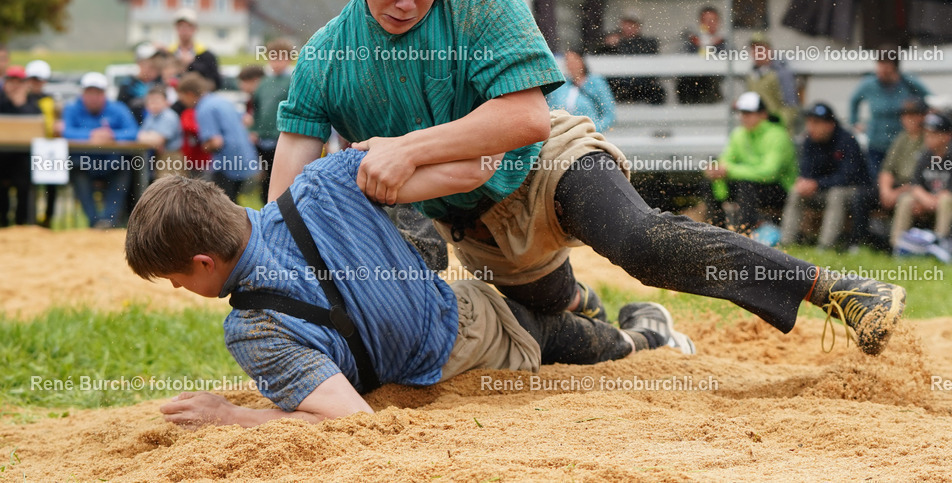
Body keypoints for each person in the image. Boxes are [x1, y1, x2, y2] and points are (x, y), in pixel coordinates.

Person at [270, 0, 905, 357]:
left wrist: (406, 150)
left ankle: (836, 290)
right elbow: (290, 178)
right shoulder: (328, 55)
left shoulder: (482, 1)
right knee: (545, 325)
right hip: (476, 215)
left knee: (640, 240)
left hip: (549, 162)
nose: (408, 3)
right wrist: (268, 259)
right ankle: (641, 337)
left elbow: (525, 122)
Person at [125, 149, 694, 427]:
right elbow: (455, 165)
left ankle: (646, 334)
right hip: (473, 277)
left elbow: (351, 422)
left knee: (592, 346)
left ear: (203, 262)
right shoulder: (323, 179)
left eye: (175, 278)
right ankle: (582, 300)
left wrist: (230, 417)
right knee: (537, 304)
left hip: (472, 341)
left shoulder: (251, 328)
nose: (177, 288)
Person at [700, 91, 797, 232]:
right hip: (749, 184)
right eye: (742, 113)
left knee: (746, 186)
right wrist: (716, 173)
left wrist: (729, 171)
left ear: (763, 114)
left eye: (748, 113)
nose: (744, 117)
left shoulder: (778, 135)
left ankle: (744, 233)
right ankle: (717, 231)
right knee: (709, 183)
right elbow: (724, 161)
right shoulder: (738, 134)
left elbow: (769, 173)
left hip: (779, 188)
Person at [780, 102, 870, 250]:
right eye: (809, 122)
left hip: (852, 190)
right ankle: (786, 242)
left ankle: (825, 246)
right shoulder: (809, 141)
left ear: (830, 125)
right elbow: (806, 171)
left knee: (836, 194)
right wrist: (805, 183)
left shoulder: (847, 140)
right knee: (796, 192)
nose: (810, 127)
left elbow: (848, 177)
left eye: (816, 123)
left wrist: (817, 184)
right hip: (822, 189)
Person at [849, 98, 928, 252]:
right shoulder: (902, 138)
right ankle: (857, 242)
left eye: (913, 114)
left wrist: (895, 193)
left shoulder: (927, 140)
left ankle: (895, 246)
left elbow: (921, 179)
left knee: (905, 202)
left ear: (923, 116)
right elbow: (887, 169)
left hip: (914, 189)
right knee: (861, 196)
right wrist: (886, 191)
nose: (908, 119)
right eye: (905, 115)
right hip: (896, 186)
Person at [890, 111, 952, 246]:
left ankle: (940, 245)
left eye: (933, 133)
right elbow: (915, 185)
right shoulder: (926, 154)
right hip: (934, 198)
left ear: (947, 135)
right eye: (926, 133)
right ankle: (898, 245)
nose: (928, 137)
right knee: (906, 200)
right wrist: (925, 200)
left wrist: (929, 202)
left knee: (945, 201)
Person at [63, 72, 139, 228]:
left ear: (104, 94)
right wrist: (90, 134)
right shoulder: (71, 108)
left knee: (125, 168)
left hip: (111, 163)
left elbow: (133, 131)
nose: (93, 97)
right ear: (82, 93)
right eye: (89, 92)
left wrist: (112, 135)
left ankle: (107, 220)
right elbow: (66, 131)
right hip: (83, 164)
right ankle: (95, 221)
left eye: (97, 92)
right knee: (77, 171)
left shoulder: (118, 108)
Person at [175, 73, 258, 201]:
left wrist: (202, 146)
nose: (182, 102)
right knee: (234, 204)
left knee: (223, 208)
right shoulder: (220, 100)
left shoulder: (203, 109)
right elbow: (247, 120)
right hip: (245, 158)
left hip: (227, 164)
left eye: (182, 98)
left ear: (190, 94)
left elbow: (216, 142)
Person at [849, 49, 929, 180]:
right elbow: (854, 100)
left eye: (887, 69)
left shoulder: (908, 83)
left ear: (895, 69)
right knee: (877, 182)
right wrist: (855, 122)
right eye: (880, 67)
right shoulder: (869, 84)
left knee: (903, 178)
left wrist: (919, 118)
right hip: (877, 142)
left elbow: (929, 99)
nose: (882, 73)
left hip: (901, 142)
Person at [250, 40, 294, 203]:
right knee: (265, 180)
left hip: (283, 137)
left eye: (280, 58)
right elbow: (256, 108)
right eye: (272, 58)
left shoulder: (293, 80)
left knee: (284, 180)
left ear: (288, 59)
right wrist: (253, 129)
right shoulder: (264, 83)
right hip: (263, 140)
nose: (276, 63)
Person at [0, 66, 41, 227]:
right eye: (11, 82)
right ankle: (3, 221)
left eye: (19, 82)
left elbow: (37, 125)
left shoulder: (32, 104)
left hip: (23, 157)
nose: (15, 86)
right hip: (2, 156)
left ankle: (21, 222)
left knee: (24, 185)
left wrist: (21, 104)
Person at [598, 14, 665, 105]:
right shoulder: (611, 41)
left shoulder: (647, 43)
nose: (629, 27)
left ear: (638, 26)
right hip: (620, 83)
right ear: (621, 25)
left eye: (632, 24)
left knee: (658, 91)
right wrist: (608, 45)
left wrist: (621, 43)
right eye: (626, 24)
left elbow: (650, 55)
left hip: (642, 83)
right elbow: (598, 56)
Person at [25, 59, 60, 227]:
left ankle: (47, 219)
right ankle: (28, 219)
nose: (36, 83)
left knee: (51, 184)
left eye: (39, 80)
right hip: (26, 149)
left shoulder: (50, 100)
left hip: (47, 148)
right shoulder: (23, 99)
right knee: (27, 184)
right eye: (33, 79)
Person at [545, 49, 616, 133]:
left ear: (582, 61)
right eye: (568, 61)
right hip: (562, 134)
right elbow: (551, 111)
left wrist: (593, 130)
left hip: (588, 135)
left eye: (574, 61)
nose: (571, 65)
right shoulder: (561, 85)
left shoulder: (596, 82)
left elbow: (609, 115)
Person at [746, 33, 799, 134]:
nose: (757, 53)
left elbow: (791, 107)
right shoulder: (752, 75)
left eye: (760, 49)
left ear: (769, 50)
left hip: (777, 131)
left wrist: (776, 123)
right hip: (757, 132)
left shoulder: (782, 73)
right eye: (754, 49)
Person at [677, 6, 728, 104]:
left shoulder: (724, 42)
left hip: (713, 80)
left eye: (713, 20)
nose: (709, 23)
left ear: (718, 22)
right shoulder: (691, 42)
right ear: (700, 22)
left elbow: (733, 59)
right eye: (706, 20)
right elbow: (681, 59)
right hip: (692, 81)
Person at [136, 85, 184, 179]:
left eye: (157, 101)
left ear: (166, 102)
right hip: (158, 157)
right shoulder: (151, 116)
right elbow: (140, 136)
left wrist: (148, 137)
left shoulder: (169, 116)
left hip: (171, 158)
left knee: (170, 187)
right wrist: (149, 137)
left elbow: (157, 141)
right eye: (150, 101)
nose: (153, 104)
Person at [168, 8, 222, 90]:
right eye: (181, 26)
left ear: (195, 29)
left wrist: (191, 64)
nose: (184, 30)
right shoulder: (168, 53)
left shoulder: (207, 55)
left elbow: (216, 83)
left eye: (188, 26)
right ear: (176, 28)